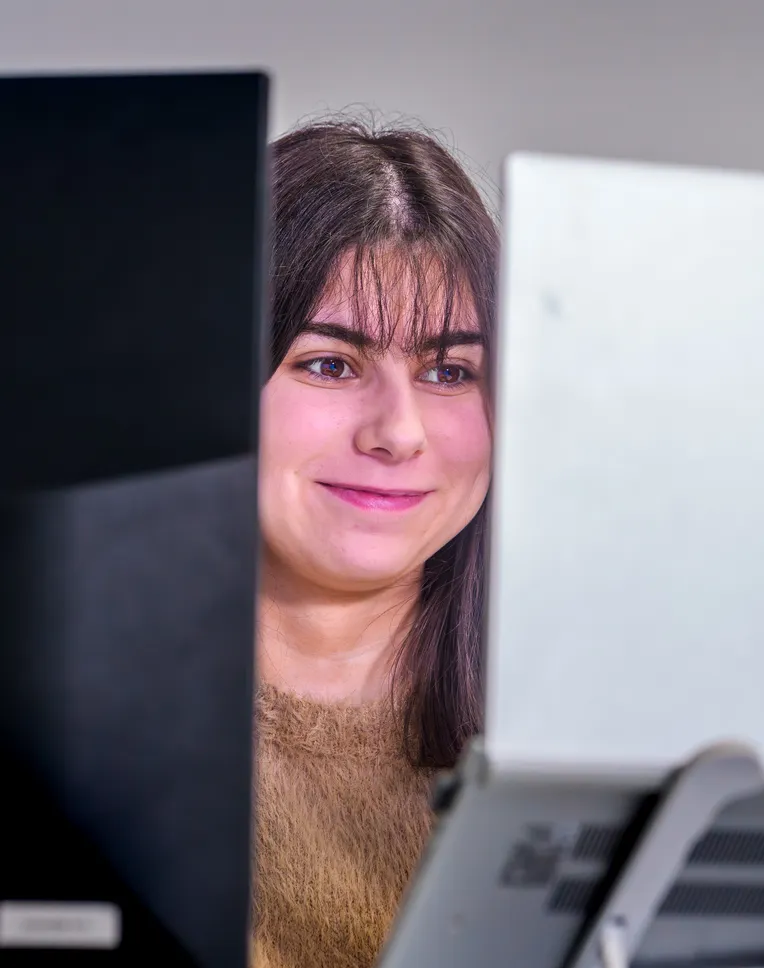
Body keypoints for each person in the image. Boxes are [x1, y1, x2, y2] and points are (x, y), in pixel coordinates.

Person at [250, 117, 498, 968]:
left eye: (449, 372)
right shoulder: (52, 738)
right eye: (330, 364)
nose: (400, 432)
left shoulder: (596, 738)